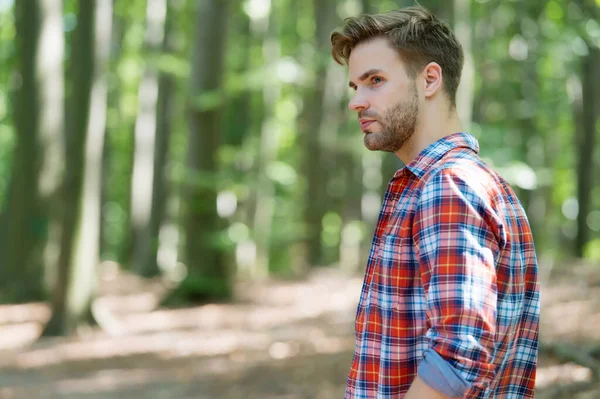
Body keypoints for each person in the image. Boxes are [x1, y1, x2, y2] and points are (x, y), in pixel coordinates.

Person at [330, 5, 540, 399]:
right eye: (354, 86)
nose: (356, 101)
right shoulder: (457, 182)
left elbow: (458, 357)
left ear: (429, 80)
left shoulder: (448, 186)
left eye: (375, 80)